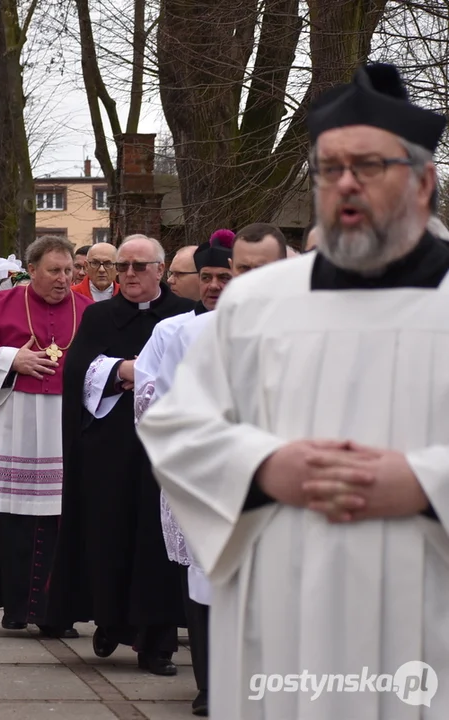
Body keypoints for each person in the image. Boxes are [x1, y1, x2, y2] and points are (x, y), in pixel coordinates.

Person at [138, 62, 449, 719]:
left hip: (426, 614)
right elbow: (176, 426)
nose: (344, 185)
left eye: (367, 166)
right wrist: (261, 466)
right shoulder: (256, 303)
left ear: (422, 180)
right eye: (328, 168)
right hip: (281, 619)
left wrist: (425, 482)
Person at [145, 222, 287, 717]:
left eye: (258, 271)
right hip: (210, 478)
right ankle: (212, 685)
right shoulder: (182, 332)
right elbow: (153, 399)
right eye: (239, 270)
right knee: (208, 581)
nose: (244, 281)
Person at [50, 234, 194, 676]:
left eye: (139, 266)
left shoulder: (182, 317)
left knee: (158, 545)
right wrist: (120, 370)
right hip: (110, 450)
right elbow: (75, 373)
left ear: (160, 270)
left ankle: (158, 645)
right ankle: (110, 620)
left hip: (164, 451)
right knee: (109, 536)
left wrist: (147, 376)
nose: (128, 274)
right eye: (122, 266)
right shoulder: (99, 316)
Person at [0, 235, 91, 636]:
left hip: (67, 429)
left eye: (69, 271)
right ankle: (15, 607)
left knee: (62, 523)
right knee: (13, 521)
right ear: (31, 270)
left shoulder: (89, 310)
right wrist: (11, 358)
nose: (64, 279)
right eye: (54, 271)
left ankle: (58, 612)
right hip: (14, 425)